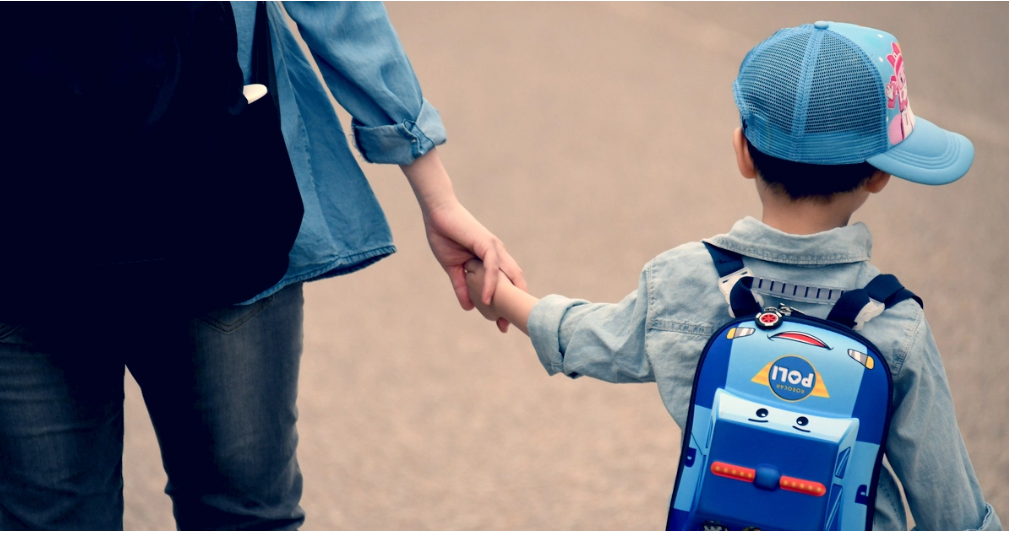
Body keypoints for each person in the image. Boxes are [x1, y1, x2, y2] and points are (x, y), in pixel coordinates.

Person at [0, 2, 521, 530]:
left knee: (54, 515)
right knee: (241, 511)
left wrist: (437, 196)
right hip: (212, 193)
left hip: (34, 218)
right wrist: (435, 193)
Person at [462, 22, 1001, 530]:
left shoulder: (684, 279)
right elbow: (950, 507)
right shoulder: (895, 323)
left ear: (744, 152)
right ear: (881, 173)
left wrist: (503, 296)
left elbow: (594, 338)